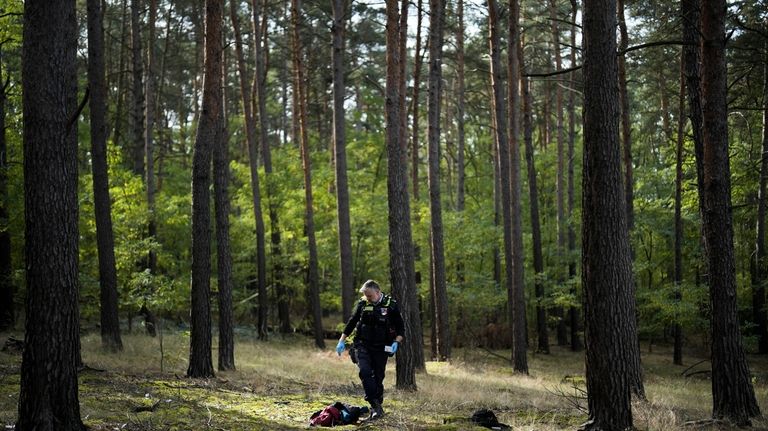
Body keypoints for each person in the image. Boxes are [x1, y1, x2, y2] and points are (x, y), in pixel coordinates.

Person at [336, 280, 404, 420]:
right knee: (365, 371)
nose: (367, 298)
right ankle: (374, 404)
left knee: (378, 378)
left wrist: (396, 342)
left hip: (382, 347)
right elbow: (352, 322)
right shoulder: (363, 304)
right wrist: (341, 340)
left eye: (370, 295)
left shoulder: (390, 305)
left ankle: (377, 408)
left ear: (378, 292)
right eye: (366, 295)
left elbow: (400, 327)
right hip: (363, 345)